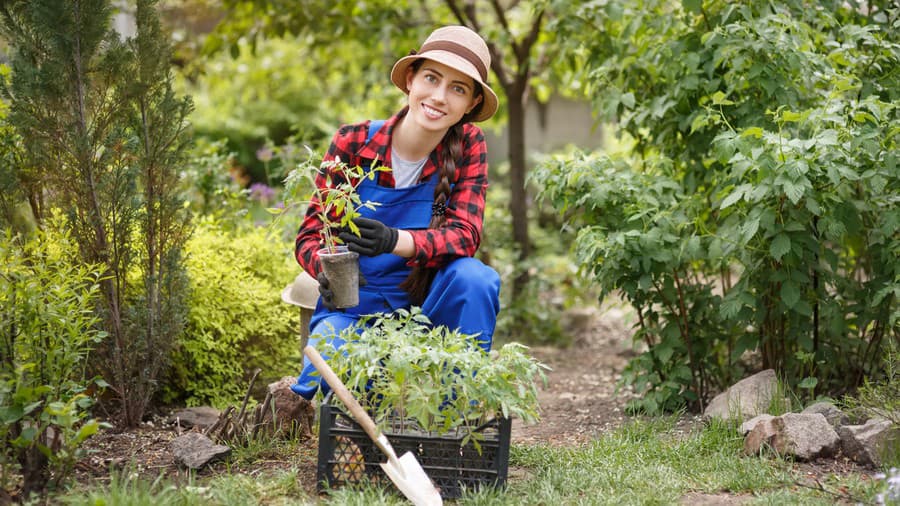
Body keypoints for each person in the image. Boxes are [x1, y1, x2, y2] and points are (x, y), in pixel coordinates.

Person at [290, 25, 501, 400]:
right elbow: (310, 235)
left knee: (474, 279)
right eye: (432, 78)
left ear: (470, 104)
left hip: (426, 313)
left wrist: (394, 240)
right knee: (327, 380)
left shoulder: (468, 145)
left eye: (458, 88)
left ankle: (454, 415)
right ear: (410, 79)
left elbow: (465, 234)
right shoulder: (354, 142)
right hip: (356, 309)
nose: (439, 97)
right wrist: (322, 269)